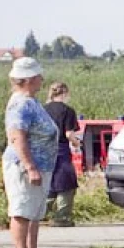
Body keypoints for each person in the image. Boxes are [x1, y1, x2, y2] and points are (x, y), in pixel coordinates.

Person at [2, 57, 58, 248]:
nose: (41, 79)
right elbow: (18, 136)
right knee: (22, 210)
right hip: (24, 166)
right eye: (38, 76)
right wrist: (30, 166)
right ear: (28, 80)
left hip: (40, 164)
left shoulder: (31, 102)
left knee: (33, 211)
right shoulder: (20, 104)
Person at [43, 82, 80, 227]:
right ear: (64, 92)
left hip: (45, 150)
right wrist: (77, 143)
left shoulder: (43, 109)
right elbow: (69, 133)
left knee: (49, 181)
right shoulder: (68, 111)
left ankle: (40, 214)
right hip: (61, 150)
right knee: (67, 183)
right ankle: (62, 217)